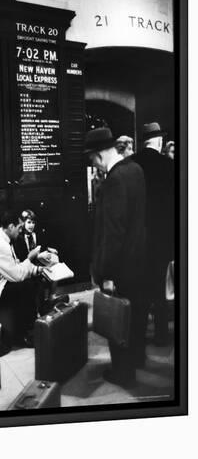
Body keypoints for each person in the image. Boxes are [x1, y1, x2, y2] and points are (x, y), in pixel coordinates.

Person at [85, 127, 146, 387]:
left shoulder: (114, 181)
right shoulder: (136, 170)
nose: (94, 167)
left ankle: (123, 373)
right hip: (139, 261)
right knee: (134, 319)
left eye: (92, 161)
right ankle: (135, 361)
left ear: (99, 156)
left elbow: (112, 235)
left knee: (117, 321)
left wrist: (105, 273)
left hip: (120, 267)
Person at [132, 122, 175, 346]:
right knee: (159, 288)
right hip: (162, 239)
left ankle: (137, 339)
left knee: (139, 291)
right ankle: (161, 335)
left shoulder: (132, 164)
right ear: (159, 142)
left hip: (138, 239)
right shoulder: (169, 166)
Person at [0, 212, 47, 350]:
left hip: (3, 281)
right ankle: (27, 334)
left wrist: (38, 270)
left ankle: (28, 330)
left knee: (31, 283)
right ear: (11, 227)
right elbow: (17, 275)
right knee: (26, 287)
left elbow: (16, 265)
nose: (20, 231)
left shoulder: (2, 237)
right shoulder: (1, 244)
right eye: (19, 228)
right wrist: (30, 258)